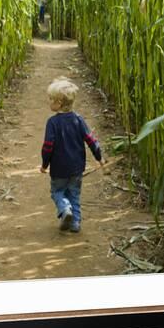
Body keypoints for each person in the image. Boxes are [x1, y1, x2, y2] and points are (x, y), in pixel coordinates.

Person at [40, 77, 105, 233]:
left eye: (51, 99)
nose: (49, 102)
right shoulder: (78, 120)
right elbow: (91, 140)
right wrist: (99, 157)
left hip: (59, 169)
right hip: (76, 168)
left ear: (59, 103)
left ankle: (64, 209)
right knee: (74, 194)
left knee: (57, 192)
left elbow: (48, 146)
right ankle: (75, 223)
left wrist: (44, 164)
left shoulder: (52, 123)